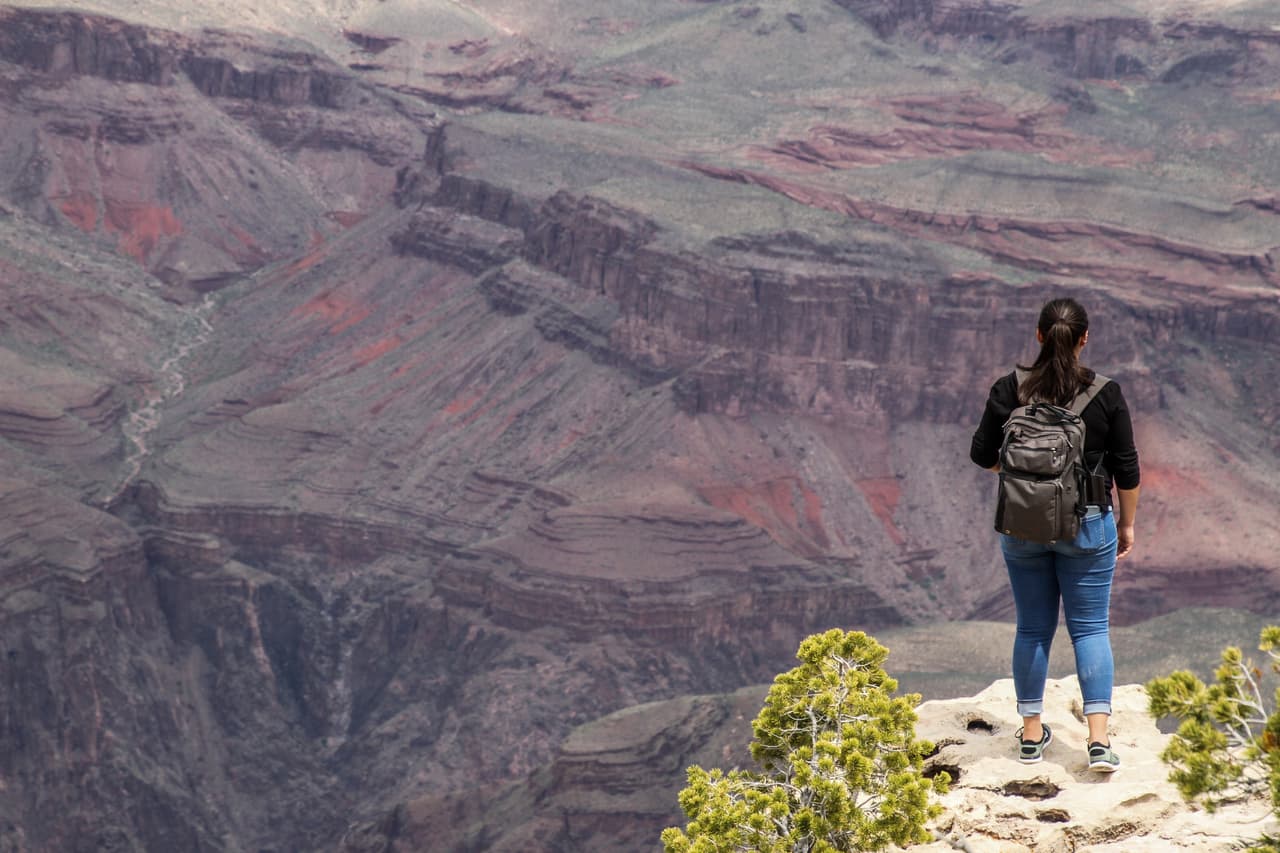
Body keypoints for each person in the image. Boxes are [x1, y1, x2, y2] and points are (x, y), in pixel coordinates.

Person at [969, 297, 1141, 772]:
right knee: (1089, 628)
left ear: (1039, 335)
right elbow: (1127, 469)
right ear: (1085, 339)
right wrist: (1125, 525)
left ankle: (1029, 736)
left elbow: (981, 453)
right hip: (1088, 523)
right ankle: (1099, 743)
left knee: (1032, 627)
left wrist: (1029, 483)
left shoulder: (1010, 388)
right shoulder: (1105, 393)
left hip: (1023, 526)